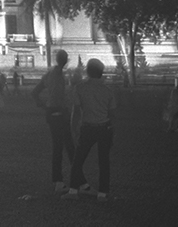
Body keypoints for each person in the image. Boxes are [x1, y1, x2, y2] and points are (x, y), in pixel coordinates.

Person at [63, 58, 116, 202]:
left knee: (78, 159)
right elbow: (111, 114)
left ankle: (73, 191)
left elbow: (77, 111)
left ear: (88, 71)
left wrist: (73, 127)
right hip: (104, 127)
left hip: (87, 128)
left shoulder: (80, 88)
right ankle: (103, 194)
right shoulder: (107, 91)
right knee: (104, 162)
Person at [33, 49, 75, 193]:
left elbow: (35, 92)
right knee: (68, 146)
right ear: (64, 60)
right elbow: (60, 96)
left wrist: (42, 104)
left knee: (59, 147)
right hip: (60, 112)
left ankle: (59, 181)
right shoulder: (58, 75)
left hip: (51, 112)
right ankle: (75, 180)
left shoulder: (49, 74)